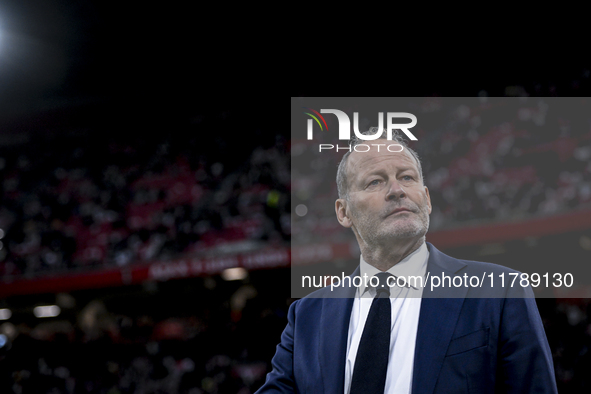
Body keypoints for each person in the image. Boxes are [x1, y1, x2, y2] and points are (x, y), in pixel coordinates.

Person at [256, 129, 557, 393]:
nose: (397, 190)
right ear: (343, 211)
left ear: (426, 198)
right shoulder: (307, 315)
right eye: (375, 181)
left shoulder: (500, 291)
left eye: (407, 177)